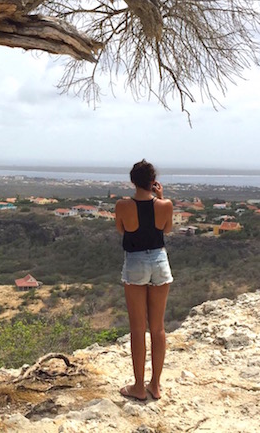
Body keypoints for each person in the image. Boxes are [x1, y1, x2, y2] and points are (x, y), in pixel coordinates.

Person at [114, 159, 173, 401]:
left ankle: (139, 386)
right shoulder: (165, 204)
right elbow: (166, 230)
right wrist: (161, 197)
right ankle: (155, 385)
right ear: (153, 182)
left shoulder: (122, 205)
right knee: (157, 328)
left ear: (132, 181)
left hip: (136, 262)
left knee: (138, 329)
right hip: (160, 262)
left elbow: (122, 230)